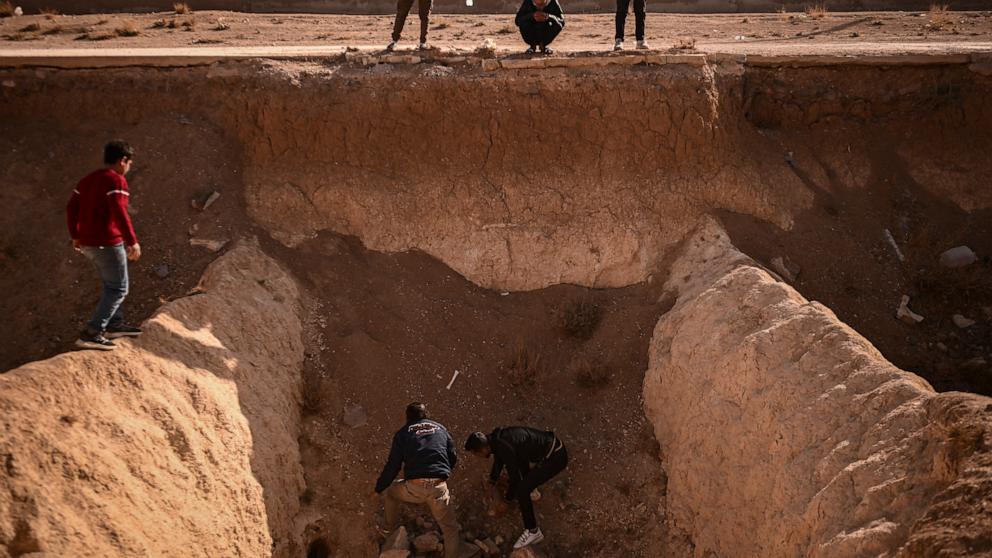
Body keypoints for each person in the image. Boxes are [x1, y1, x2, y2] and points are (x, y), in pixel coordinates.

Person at [66, 140, 142, 351]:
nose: (129, 168)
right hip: (106, 242)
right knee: (118, 288)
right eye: (129, 163)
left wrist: (75, 235)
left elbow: (71, 207)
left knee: (112, 284)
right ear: (123, 160)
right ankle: (92, 332)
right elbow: (119, 212)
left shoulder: (88, 180)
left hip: (88, 243)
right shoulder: (115, 180)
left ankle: (114, 325)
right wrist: (132, 241)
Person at [375, 403, 460, 558]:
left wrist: (379, 487)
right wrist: (441, 474)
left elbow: (393, 466)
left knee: (392, 493)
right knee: (450, 529)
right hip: (438, 487)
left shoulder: (402, 434)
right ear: (426, 414)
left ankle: (390, 531)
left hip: (415, 487)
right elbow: (453, 456)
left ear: (408, 418)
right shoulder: (441, 429)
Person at [465, 426, 568, 549]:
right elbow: (499, 460)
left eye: (476, 453)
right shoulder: (497, 440)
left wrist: (507, 501)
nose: (478, 456)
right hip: (552, 448)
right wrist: (491, 482)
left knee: (522, 490)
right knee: (519, 461)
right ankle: (533, 491)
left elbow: (515, 479)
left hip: (555, 457)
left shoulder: (503, 446)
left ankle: (533, 531)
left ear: (481, 449)